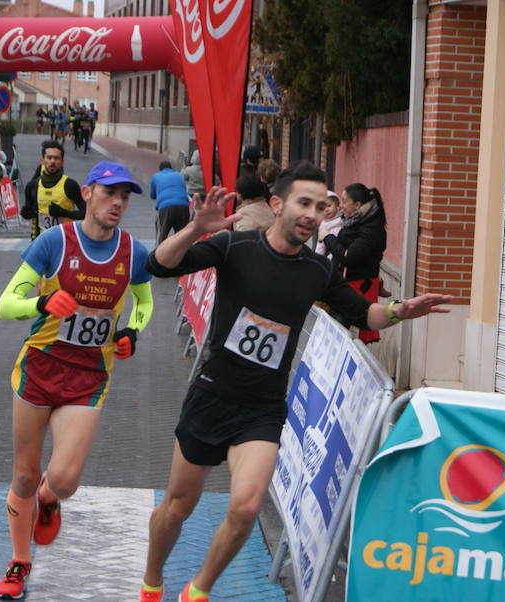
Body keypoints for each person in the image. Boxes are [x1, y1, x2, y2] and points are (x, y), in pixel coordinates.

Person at [138, 161, 453, 602]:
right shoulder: (235, 247)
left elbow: (364, 315)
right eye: (304, 203)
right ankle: (152, 581)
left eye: (321, 206)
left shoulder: (317, 271)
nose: (313, 213)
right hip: (211, 394)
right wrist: (194, 229)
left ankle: (198, 590)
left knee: (247, 506)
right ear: (276, 204)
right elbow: (159, 265)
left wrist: (402, 310)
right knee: (177, 507)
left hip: (262, 409)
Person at [0, 160, 155, 600]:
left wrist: (130, 332)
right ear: (87, 194)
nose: (118, 203)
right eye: (109, 193)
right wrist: (41, 304)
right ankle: (19, 561)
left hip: (89, 377)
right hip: (40, 369)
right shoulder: (55, 242)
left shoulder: (132, 252)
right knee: (25, 475)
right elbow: (6, 304)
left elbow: (144, 302)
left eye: (125, 196)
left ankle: (50, 500)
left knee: (62, 481)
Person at [319, 183, 387, 344]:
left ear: (357, 205)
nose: (340, 206)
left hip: (355, 289)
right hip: (344, 285)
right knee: (333, 334)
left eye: (343, 201)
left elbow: (348, 257)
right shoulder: (354, 221)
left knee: (336, 337)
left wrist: (328, 238)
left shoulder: (371, 229)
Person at [20, 140, 85, 240]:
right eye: (49, 157)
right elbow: (28, 210)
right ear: (42, 160)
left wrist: (64, 213)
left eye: (56, 158)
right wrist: (26, 213)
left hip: (65, 240)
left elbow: (86, 213)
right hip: (40, 241)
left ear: (62, 162)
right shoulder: (32, 186)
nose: (52, 161)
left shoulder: (70, 185)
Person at [150, 160, 190, 248]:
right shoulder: (179, 175)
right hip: (183, 206)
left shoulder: (156, 176)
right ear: (171, 168)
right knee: (182, 236)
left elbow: (152, 195)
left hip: (165, 207)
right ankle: (183, 257)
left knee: (162, 235)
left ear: (160, 169)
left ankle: (159, 257)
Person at [315, 190, 342, 256]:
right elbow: (320, 245)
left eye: (329, 205)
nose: (326, 209)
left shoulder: (342, 220)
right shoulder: (323, 224)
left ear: (338, 206)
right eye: (323, 208)